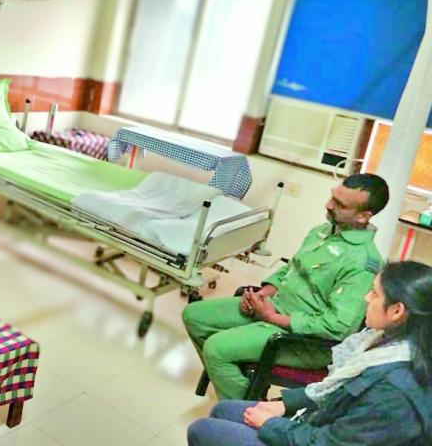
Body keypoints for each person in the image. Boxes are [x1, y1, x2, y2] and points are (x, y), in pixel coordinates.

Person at [182, 173, 389, 399]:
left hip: (304, 340)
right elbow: (291, 268)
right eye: (332, 197)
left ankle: (246, 413)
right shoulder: (322, 231)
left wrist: (273, 318)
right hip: (273, 308)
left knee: (216, 349)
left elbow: (338, 327)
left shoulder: (362, 262)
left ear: (363, 216)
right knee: (194, 315)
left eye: (339, 205)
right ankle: (243, 388)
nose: (328, 205)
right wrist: (263, 294)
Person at [187, 260, 432, 445]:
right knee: (223, 409)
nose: (366, 298)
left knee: (201, 430)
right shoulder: (383, 340)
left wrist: (271, 425)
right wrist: (286, 404)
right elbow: (336, 390)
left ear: (397, 311)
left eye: (375, 294)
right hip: (322, 420)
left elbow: (327, 443)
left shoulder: (394, 392)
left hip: (321, 435)